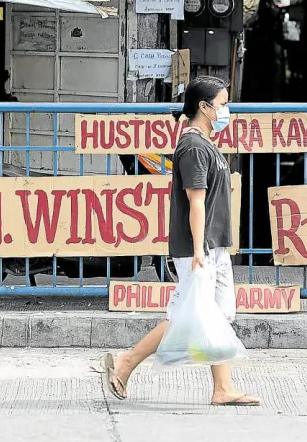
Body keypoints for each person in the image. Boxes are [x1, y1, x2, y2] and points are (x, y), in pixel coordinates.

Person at [104, 76, 261, 407]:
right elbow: (196, 201)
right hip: (199, 249)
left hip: (214, 246)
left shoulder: (205, 143)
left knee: (218, 314)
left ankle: (222, 388)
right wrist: (199, 250)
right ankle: (127, 362)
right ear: (204, 107)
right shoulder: (192, 146)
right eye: (222, 104)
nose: (227, 110)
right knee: (188, 315)